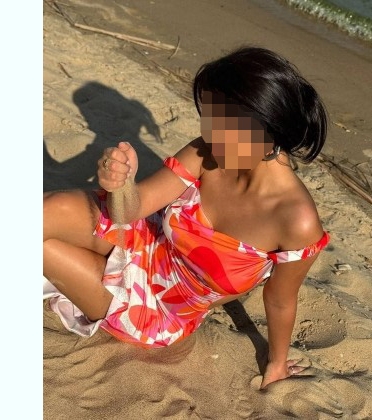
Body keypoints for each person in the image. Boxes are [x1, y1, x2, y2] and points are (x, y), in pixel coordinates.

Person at [43, 46, 330, 389]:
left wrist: (277, 364)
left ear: (268, 129)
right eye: (208, 118)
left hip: (157, 306)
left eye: (223, 125)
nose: (209, 134)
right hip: (142, 238)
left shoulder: (296, 221)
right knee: (45, 210)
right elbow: (132, 210)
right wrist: (120, 186)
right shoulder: (208, 151)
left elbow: (280, 300)